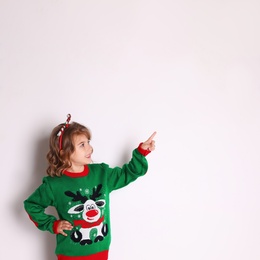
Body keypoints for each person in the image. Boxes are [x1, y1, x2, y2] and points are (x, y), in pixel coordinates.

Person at [24, 114, 156, 260]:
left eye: (88, 142)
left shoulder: (102, 173)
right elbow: (32, 205)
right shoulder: (54, 185)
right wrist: (53, 225)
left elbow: (127, 174)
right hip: (70, 255)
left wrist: (141, 153)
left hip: (100, 251)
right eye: (82, 145)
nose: (90, 148)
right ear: (64, 153)